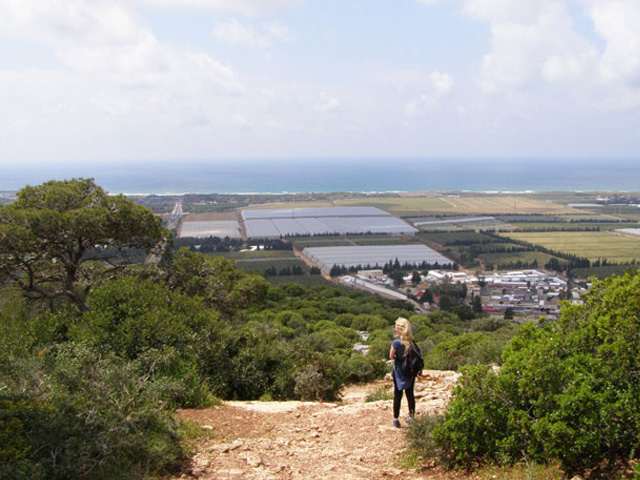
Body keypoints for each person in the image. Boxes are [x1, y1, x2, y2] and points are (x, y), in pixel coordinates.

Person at [389, 317, 417, 428]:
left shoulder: (396, 343)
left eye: (396, 327)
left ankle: (396, 419)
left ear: (399, 329)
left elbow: (391, 356)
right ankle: (412, 417)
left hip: (399, 371)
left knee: (397, 394)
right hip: (410, 372)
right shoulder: (411, 342)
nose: (395, 329)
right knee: (410, 394)